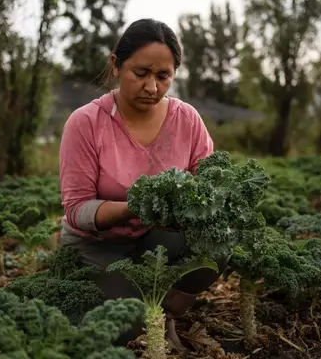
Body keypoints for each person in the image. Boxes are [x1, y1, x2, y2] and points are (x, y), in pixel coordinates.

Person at [58, 18, 228, 349]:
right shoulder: (86, 123)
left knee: (216, 243)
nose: (152, 87)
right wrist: (136, 207)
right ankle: (136, 305)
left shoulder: (187, 120)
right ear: (116, 65)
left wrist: (199, 204)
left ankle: (167, 313)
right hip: (98, 246)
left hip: (156, 240)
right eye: (141, 73)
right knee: (126, 329)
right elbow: (77, 209)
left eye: (163, 76)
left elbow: (209, 185)